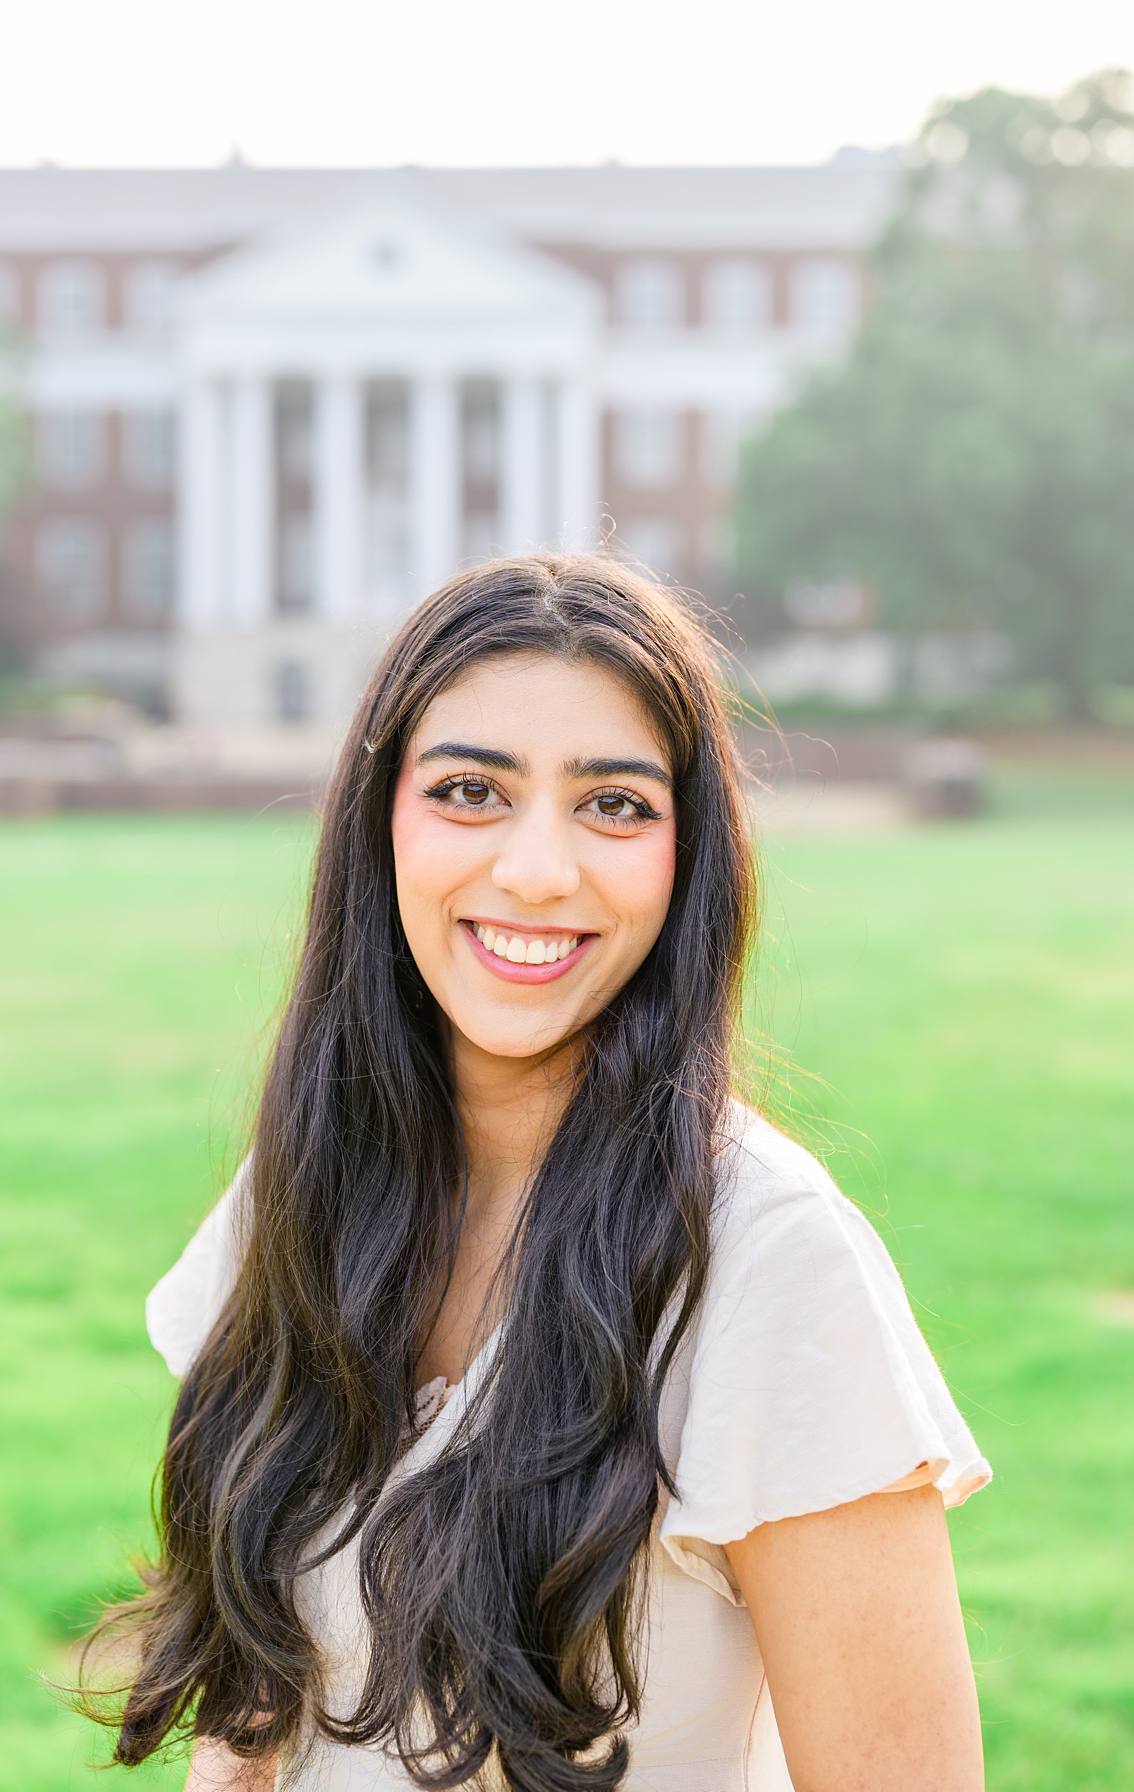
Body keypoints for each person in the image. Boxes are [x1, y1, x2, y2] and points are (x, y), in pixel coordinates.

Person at [102, 556, 988, 1791]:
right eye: (470, 790)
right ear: (381, 823)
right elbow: (257, 1725)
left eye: (614, 805)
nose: (535, 870)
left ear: (688, 856)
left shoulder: (773, 1261)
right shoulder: (302, 1184)